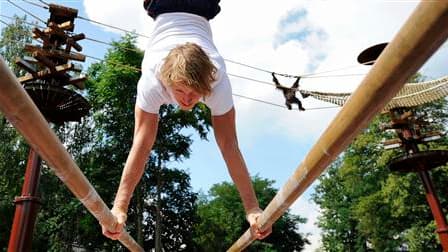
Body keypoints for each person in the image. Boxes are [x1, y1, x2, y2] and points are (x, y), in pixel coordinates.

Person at [101, 0, 272, 242]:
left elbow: (229, 145)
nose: (188, 100)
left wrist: (253, 209)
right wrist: (119, 207)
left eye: (195, 93)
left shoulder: (217, 82)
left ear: (207, 83)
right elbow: (141, 142)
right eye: (180, 91)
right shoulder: (153, 80)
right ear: (167, 80)